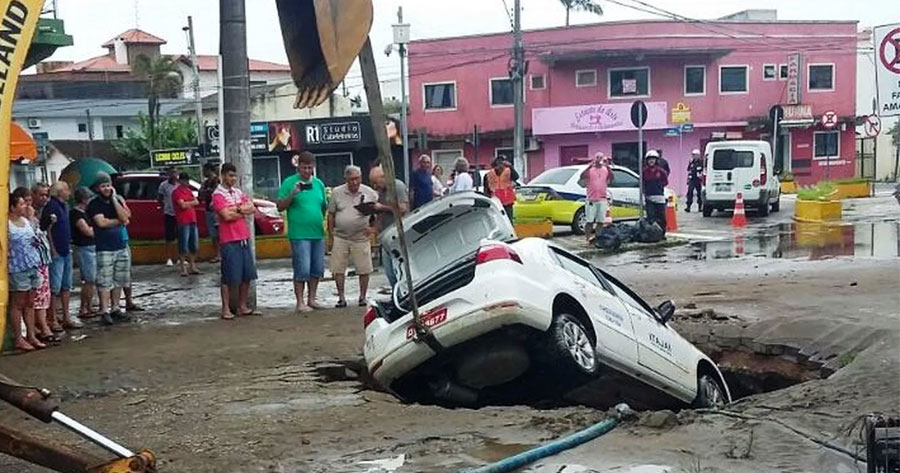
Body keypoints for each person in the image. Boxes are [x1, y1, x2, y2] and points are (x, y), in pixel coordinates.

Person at [277, 152, 327, 314]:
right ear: (298, 166)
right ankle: (300, 301)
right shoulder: (289, 183)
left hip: (317, 233)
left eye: (310, 168)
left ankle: (312, 299)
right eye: (304, 167)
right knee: (302, 268)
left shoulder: (318, 184)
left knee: (317, 268)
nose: (307, 171)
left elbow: (324, 206)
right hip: (299, 234)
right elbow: (280, 206)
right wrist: (293, 194)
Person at [327, 165, 378, 308]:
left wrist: (373, 229)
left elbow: (379, 212)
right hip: (341, 236)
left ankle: (362, 297)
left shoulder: (370, 193)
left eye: (357, 179)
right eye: (351, 180)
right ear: (346, 180)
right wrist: (331, 235)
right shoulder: (337, 192)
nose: (355, 182)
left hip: (361, 236)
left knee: (364, 268)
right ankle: (341, 298)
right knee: (338, 268)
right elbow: (331, 214)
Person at [212, 163, 258, 320]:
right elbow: (225, 216)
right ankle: (225, 308)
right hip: (229, 239)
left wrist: (236, 209)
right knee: (229, 276)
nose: (233, 179)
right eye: (230, 176)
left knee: (246, 275)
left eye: (234, 176)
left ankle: (242, 306)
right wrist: (240, 210)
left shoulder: (238, 192)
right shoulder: (218, 194)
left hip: (243, 237)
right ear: (223, 176)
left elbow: (251, 208)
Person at [87, 172, 132, 325]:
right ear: (97, 188)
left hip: (120, 245)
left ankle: (115, 307)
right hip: (104, 247)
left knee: (119, 279)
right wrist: (118, 221)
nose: (106, 188)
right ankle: (104, 310)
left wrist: (114, 199)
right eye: (103, 186)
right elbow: (101, 223)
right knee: (105, 280)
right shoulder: (94, 204)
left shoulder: (117, 200)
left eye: (108, 185)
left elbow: (126, 217)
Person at [8, 188, 47, 351]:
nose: (25, 206)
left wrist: (31, 218)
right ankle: (18, 337)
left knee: (30, 302)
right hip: (18, 267)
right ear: (12, 207)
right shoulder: (7, 224)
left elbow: (35, 236)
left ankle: (31, 335)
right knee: (18, 303)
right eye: (21, 204)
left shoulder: (25, 221)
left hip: (32, 264)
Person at [42, 181, 81, 331]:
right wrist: (53, 249)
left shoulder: (64, 206)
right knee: (55, 288)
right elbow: (48, 229)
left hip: (65, 249)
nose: (69, 193)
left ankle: (66, 316)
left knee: (66, 286)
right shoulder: (52, 206)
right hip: (57, 251)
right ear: (60, 192)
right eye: (66, 190)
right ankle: (53, 318)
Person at [369, 163, 409, 289]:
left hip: (398, 233)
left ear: (383, 177)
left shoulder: (397, 186)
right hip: (386, 234)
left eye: (376, 183)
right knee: (389, 270)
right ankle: (395, 291)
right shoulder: (381, 191)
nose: (375, 186)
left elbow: (403, 208)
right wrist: (374, 227)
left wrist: (383, 207)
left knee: (398, 268)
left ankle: (402, 292)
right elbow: (381, 213)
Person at [29, 186, 56, 338]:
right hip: (34, 262)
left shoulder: (43, 212)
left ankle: (42, 324)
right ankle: (41, 326)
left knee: (45, 294)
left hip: (43, 260)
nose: (44, 198)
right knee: (37, 296)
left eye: (46, 195)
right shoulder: (28, 217)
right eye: (41, 195)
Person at [71, 187, 97, 319]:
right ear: (84, 199)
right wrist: (98, 228)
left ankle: (89, 306)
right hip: (84, 248)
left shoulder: (85, 212)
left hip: (90, 247)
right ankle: (83, 308)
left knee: (91, 280)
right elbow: (87, 231)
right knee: (88, 279)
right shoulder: (76, 214)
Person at [171, 172, 201, 277]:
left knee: (194, 245)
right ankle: (183, 268)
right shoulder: (176, 192)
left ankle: (192, 266)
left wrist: (187, 203)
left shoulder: (188, 191)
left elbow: (196, 202)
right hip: (183, 221)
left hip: (192, 219)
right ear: (180, 181)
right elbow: (182, 205)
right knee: (183, 245)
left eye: (187, 180)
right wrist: (189, 203)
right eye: (184, 180)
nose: (186, 182)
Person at [580, 152, 613, 242]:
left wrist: (608, 166)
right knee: (589, 221)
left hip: (602, 199)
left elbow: (612, 177)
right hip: (591, 199)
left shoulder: (605, 169)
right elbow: (582, 176)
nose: (599, 160)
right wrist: (589, 166)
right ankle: (587, 238)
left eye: (601, 158)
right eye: (597, 158)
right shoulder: (590, 170)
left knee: (600, 221)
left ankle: (598, 237)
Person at [643, 150, 669, 235]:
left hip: (660, 198)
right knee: (651, 218)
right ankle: (653, 235)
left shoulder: (661, 171)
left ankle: (662, 234)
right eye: (649, 159)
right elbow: (642, 183)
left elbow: (665, 182)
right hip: (649, 198)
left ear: (656, 160)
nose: (651, 161)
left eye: (653, 159)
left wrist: (659, 186)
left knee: (662, 218)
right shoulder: (644, 171)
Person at [485, 157, 519, 222]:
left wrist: (510, 167)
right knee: (499, 221)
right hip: (496, 203)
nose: (500, 167)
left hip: (507, 202)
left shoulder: (508, 171)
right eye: (498, 165)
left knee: (508, 221)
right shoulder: (489, 175)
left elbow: (516, 177)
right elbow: (487, 190)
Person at [157, 167, 179, 267]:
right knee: (169, 237)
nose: (174, 174)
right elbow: (160, 198)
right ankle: (169, 258)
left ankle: (180, 257)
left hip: (179, 213)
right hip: (169, 213)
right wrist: (164, 207)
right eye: (172, 173)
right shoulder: (163, 185)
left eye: (175, 172)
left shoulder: (179, 185)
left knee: (180, 236)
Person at [199, 165, 220, 263]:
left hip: (217, 210)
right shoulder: (206, 183)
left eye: (205, 170)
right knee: (213, 234)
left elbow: (215, 193)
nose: (203, 172)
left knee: (220, 233)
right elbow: (201, 194)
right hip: (208, 210)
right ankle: (217, 254)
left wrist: (207, 192)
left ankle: (222, 254)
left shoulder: (217, 181)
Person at [685, 149, 704, 213]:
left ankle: (700, 206)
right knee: (690, 192)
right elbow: (688, 170)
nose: (694, 156)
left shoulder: (701, 162)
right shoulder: (691, 162)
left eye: (695, 155)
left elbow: (703, 170)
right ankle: (688, 206)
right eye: (693, 155)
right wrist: (688, 179)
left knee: (699, 193)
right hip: (692, 179)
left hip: (698, 179)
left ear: (698, 155)